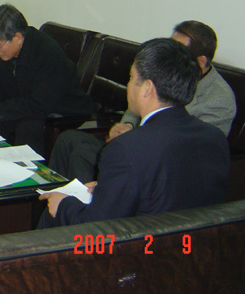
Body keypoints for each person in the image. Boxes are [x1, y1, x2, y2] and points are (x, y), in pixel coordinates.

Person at [39, 38, 230, 227]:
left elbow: (98, 228)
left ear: (147, 88)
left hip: (142, 243)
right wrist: (106, 188)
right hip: (194, 240)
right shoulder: (215, 137)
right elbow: (173, 191)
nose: (128, 85)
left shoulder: (126, 148)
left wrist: (63, 205)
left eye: (131, 78)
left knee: (53, 212)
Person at [48, 20, 236, 184]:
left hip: (163, 164)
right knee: (68, 139)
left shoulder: (219, 99)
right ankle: (55, 199)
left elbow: (189, 148)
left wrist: (132, 137)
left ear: (201, 61)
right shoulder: (167, 74)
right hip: (137, 143)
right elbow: (138, 104)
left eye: (179, 51)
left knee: (82, 154)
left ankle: (83, 205)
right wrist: (128, 124)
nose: (171, 56)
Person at [0, 5, 95, 155]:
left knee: (26, 125)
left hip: (62, 112)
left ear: (17, 37)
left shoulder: (47, 53)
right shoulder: (4, 53)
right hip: (28, 105)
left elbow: (38, 103)